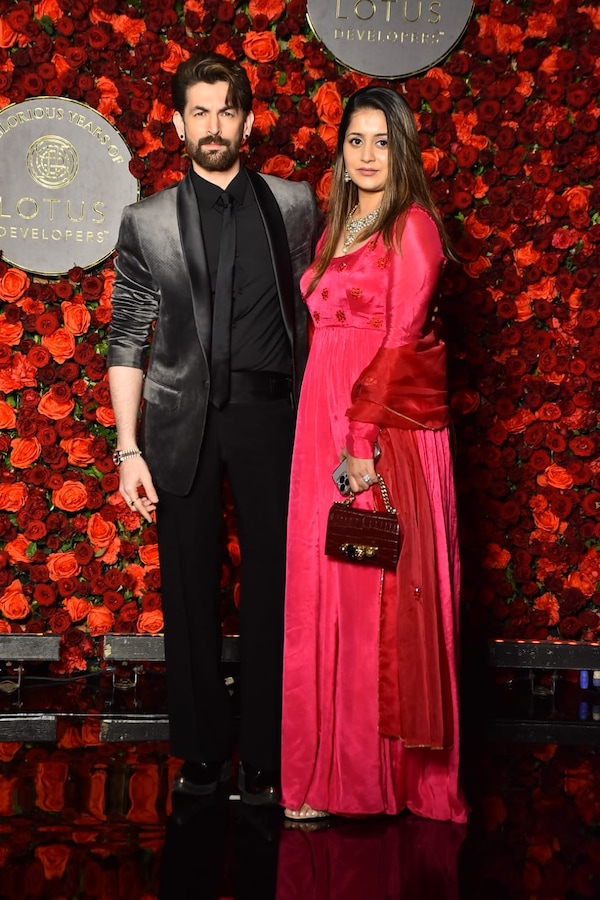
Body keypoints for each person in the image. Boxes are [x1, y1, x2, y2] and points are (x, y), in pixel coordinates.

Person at [107, 52, 320, 805]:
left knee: (276, 586)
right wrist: (128, 446)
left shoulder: (297, 205)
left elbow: (318, 313)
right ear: (177, 122)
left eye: (226, 111)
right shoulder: (146, 219)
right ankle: (202, 754)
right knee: (190, 587)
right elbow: (128, 334)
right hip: (179, 421)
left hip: (273, 419)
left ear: (248, 120)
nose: (213, 125)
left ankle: (266, 752)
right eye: (198, 111)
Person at [280, 86, 467, 823]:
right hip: (317, 421)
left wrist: (359, 441)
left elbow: (400, 337)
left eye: (380, 142)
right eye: (355, 141)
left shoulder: (412, 226)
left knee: (369, 595)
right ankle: (321, 772)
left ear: (403, 149)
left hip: (377, 425)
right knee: (322, 592)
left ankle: (371, 778)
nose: (365, 154)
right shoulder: (338, 226)